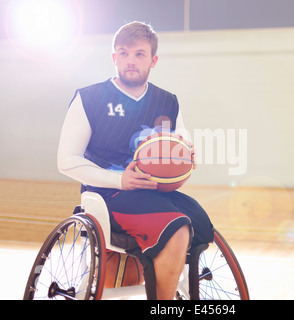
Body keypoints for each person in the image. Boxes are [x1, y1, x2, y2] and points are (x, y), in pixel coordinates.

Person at [57, 21, 214, 300]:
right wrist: (121, 179)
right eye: (124, 53)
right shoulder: (89, 98)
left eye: (139, 54)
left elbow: (181, 137)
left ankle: (168, 279)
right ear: (114, 57)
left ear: (153, 60)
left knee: (198, 219)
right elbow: (66, 160)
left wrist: (187, 152)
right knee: (176, 227)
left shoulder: (167, 101)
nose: (131, 60)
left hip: (154, 192)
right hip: (107, 194)